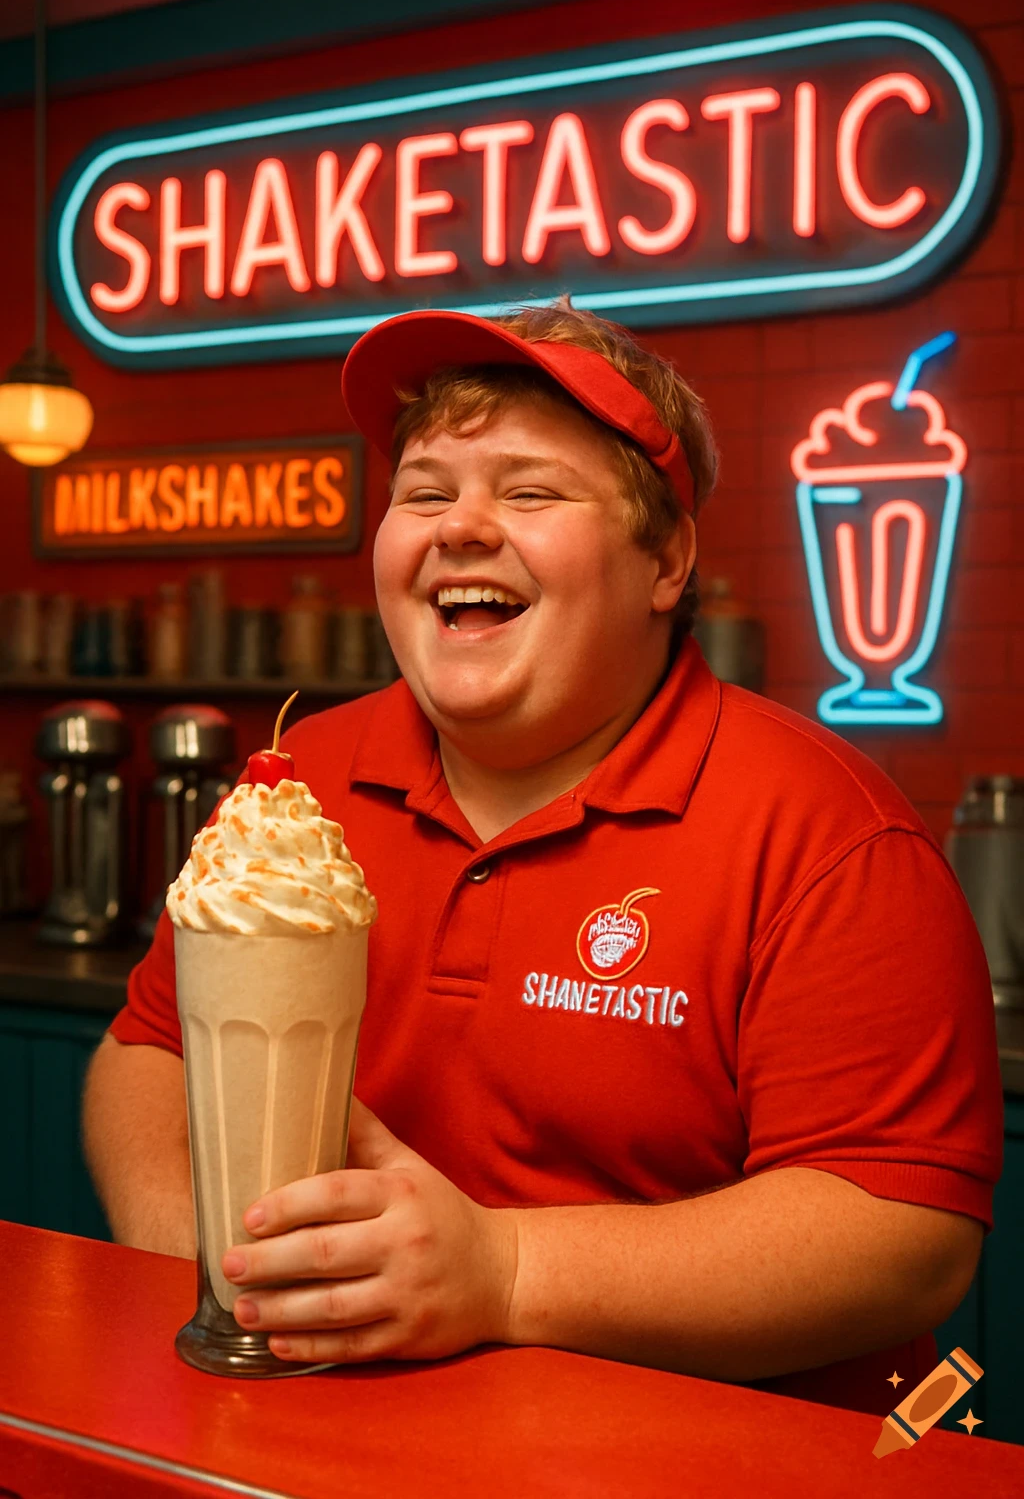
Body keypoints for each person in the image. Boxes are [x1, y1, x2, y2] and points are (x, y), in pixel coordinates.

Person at [83, 301, 1002, 1416]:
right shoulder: (297, 784)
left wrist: (507, 1273)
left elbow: (899, 1234)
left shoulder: (827, 830)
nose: (460, 527)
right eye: (424, 491)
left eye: (529, 491)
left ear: (664, 558)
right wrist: (230, 1263)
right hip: (335, 1439)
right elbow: (146, 1051)